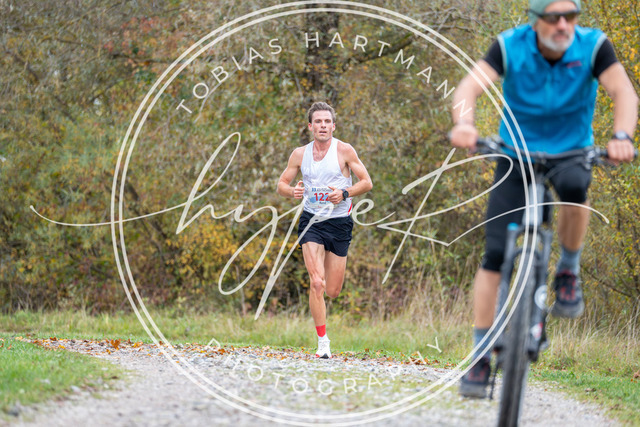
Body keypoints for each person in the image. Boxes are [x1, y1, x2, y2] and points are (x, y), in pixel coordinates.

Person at [449, 0, 638, 397]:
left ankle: (568, 269)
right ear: (536, 22)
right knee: (494, 253)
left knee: (576, 187)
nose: (563, 24)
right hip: (515, 154)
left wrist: (621, 136)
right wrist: (465, 124)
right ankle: (480, 355)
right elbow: (469, 87)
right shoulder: (509, 45)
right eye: (554, 17)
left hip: (570, 152)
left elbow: (623, 91)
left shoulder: (593, 45)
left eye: (571, 16)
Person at [277, 102, 373, 359]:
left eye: (327, 122)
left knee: (332, 290)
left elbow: (367, 182)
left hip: (340, 222)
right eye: (318, 121)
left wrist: (344, 193)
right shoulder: (300, 154)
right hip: (311, 221)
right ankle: (323, 343)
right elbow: (282, 184)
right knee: (316, 282)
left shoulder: (344, 150)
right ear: (310, 126)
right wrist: (292, 191)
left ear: (333, 126)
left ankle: (324, 328)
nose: (322, 126)